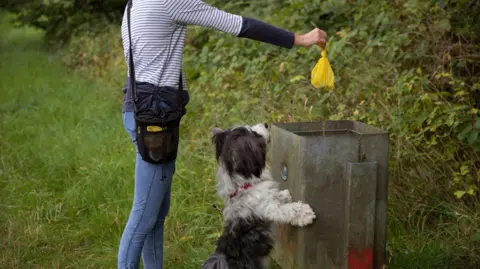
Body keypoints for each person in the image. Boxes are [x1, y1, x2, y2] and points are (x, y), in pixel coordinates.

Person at [118, 0, 327, 268]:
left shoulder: (134, 2)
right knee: (143, 217)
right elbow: (238, 24)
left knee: (155, 215)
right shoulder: (170, 1)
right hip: (153, 120)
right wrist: (298, 39)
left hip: (141, 110)